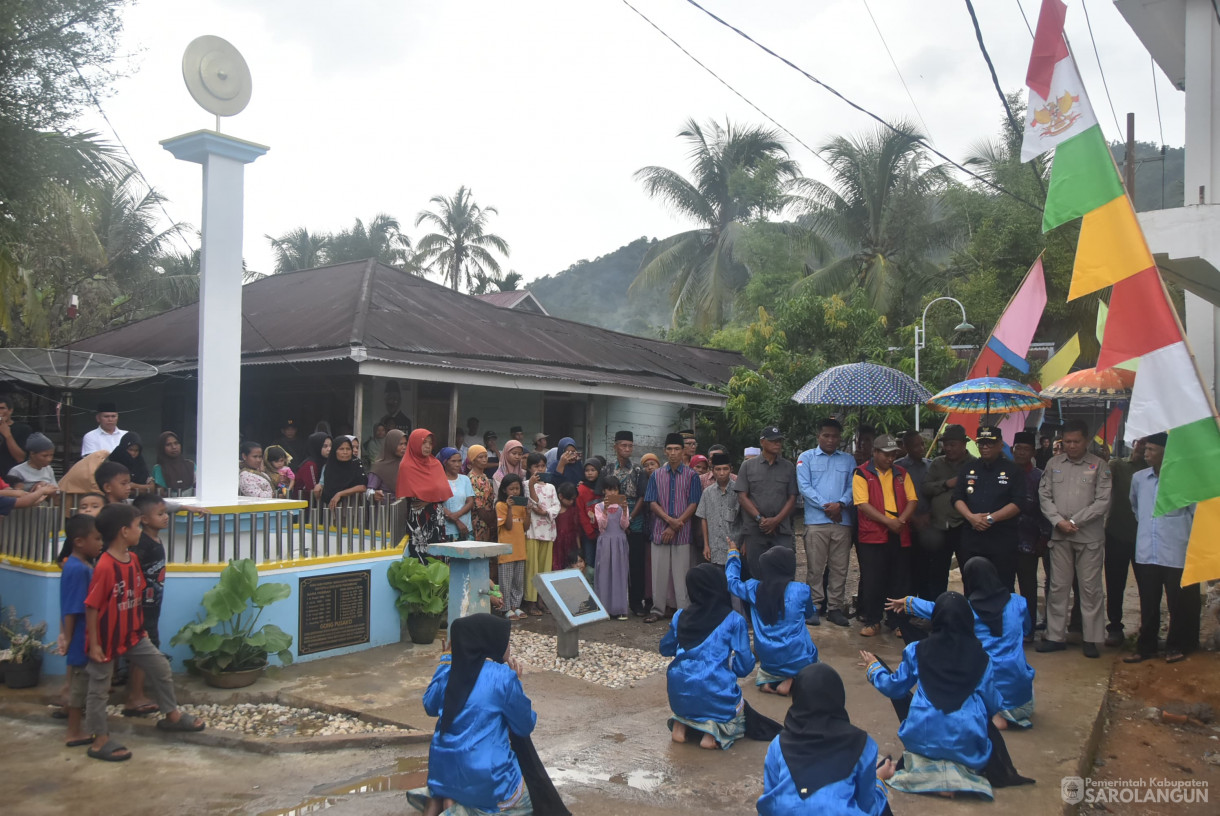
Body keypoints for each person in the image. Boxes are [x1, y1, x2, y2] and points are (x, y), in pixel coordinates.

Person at [862, 592, 1030, 799]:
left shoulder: (917, 650)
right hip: (966, 738)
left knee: (924, 719)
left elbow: (894, 688)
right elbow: (991, 701)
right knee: (978, 716)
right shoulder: (981, 657)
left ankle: (927, 773)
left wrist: (875, 669)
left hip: (922, 734)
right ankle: (959, 773)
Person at [84, 503, 205, 761]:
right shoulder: (105, 566)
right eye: (137, 525)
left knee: (160, 667)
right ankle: (99, 739)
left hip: (134, 635)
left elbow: (137, 596)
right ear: (123, 531)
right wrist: (94, 644)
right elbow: (92, 607)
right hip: (106, 639)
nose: (140, 530)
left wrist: (141, 629)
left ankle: (171, 714)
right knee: (98, 689)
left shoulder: (133, 560)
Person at [408, 614, 559, 816]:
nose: (509, 647)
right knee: (532, 797)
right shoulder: (503, 677)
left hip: (443, 772)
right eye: (505, 641)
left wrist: (445, 661)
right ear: (488, 641)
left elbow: (429, 705)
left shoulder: (449, 672)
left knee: (446, 791)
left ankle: (451, 804)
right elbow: (524, 725)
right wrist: (517, 685)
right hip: (489, 778)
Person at [890, 557, 1035, 730]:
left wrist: (909, 602)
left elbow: (940, 608)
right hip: (1022, 699)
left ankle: (994, 715)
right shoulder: (1019, 602)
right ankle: (1010, 713)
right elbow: (1026, 630)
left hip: (986, 690)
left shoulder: (968, 610)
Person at [756, 664, 893, 816]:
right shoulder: (863, 744)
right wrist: (879, 780)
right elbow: (868, 806)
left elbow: (770, 799)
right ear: (839, 697)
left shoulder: (779, 744)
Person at [660, 564, 756, 750]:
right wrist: (729, 667)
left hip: (678, 697)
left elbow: (665, 648)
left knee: (692, 696)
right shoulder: (734, 620)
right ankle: (711, 733)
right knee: (740, 709)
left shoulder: (680, 616)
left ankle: (680, 726)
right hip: (714, 694)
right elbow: (745, 666)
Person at [1037, 420, 1112, 658]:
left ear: (1086, 441)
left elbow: (1103, 501)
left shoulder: (1099, 466)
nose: (1071, 446)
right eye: (1067, 441)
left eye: (1076, 441)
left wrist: (1075, 521)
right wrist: (1058, 521)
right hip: (1059, 536)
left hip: (1088, 537)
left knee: (1090, 589)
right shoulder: (1053, 464)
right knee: (1058, 587)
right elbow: (1044, 495)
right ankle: (1055, 636)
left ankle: (1091, 638)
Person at [1125, 432, 1201, 664]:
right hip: (1147, 550)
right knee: (1148, 601)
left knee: (1177, 602)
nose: (1145, 454)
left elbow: (1194, 513)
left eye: (1151, 450)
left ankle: (1175, 645)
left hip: (1175, 550)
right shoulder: (1139, 479)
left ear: (1166, 452)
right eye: (1145, 449)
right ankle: (1145, 646)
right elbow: (1136, 507)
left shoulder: (1184, 479)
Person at [726, 543, 817, 695]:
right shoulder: (801, 590)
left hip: (767, 657)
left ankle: (767, 681)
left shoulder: (753, 588)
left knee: (770, 659)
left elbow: (732, 583)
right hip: (797, 657)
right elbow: (809, 614)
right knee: (813, 654)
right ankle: (791, 679)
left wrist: (733, 554)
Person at [854, 434, 917, 637]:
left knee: (899, 579)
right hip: (873, 534)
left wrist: (901, 521)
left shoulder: (901, 473)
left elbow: (912, 500)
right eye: (886, 454)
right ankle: (873, 620)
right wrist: (888, 522)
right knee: (874, 579)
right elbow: (863, 504)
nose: (890, 459)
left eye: (893, 455)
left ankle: (897, 621)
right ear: (875, 452)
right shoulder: (862, 473)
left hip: (900, 531)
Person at [796, 418, 854, 627]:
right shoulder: (806, 458)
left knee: (840, 567)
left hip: (842, 521)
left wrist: (841, 503)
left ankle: (835, 608)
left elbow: (852, 486)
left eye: (835, 436)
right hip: (816, 522)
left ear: (840, 438)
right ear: (818, 436)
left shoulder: (849, 460)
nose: (830, 440)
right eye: (826, 435)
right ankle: (814, 606)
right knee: (815, 567)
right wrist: (827, 507)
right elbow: (804, 487)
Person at [951, 425, 1023, 590]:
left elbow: (1018, 502)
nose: (985, 447)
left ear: (1000, 444)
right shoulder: (968, 468)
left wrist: (991, 518)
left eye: (990, 443)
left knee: (1003, 586)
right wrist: (971, 517)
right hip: (973, 538)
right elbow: (957, 497)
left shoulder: (1013, 470)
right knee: (972, 586)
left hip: (1002, 539)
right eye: (981, 443)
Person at [643, 433, 703, 623]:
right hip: (660, 531)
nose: (673, 453)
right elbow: (652, 502)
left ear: (683, 451)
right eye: (669, 449)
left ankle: (683, 611)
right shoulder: (657, 475)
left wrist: (677, 524)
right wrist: (670, 521)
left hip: (683, 533)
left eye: (677, 449)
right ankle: (657, 609)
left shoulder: (692, 475)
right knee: (658, 573)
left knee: (681, 574)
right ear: (665, 451)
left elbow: (694, 503)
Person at [123, 493, 170, 718]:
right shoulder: (140, 544)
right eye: (160, 514)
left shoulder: (155, 539)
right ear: (143, 518)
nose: (165, 517)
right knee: (143, 649)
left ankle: (137, 693)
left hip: (154, 605)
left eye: (165, 513)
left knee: (146, 646)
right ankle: (135, 696)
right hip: (141, 607)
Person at [57, 513, 102, 748]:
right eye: (96, 538)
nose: (100, 543)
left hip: (83, 635)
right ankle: (73, 731)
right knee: (79, 685)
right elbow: (73, 608)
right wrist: (68, 636)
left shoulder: (82, 565)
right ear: (79, 541)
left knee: (83, 683)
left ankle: (78, 727)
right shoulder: (78, 569)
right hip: (80, 637)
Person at [734, 426, 798, 584]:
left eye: (779, 441)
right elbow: (742, 496)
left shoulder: (788, 467)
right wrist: (759, 519)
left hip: (781, 529)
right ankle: (759, 607)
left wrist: (776, 520)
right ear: (762, 442)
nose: (777, 444)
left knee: (784, 572)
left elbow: (792, 497)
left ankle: (782, 606)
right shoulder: (748, 466)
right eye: (773, 441)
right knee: (756, 574)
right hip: (756, 530)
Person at [922, 424, 976, 602]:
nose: (948, 448)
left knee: (969, 571)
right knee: (937, 573)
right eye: (946, 444)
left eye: (953, 444)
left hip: (964, 526)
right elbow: (926, 488)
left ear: (963, 444)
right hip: (939, 526)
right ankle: (938, 611)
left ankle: (970, 611)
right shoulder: (937, 464)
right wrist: (946, 484)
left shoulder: (974, 464)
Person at [1104, 438, 1148, 647]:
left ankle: (1148, 628)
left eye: (1147, 442)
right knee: (1115, 583)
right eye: (1140, 441)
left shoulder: (1155, 469)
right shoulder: (1118, 466)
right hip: (1117, 534)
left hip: (1145, 538)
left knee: (1149, 587)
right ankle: (1114, 626)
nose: (1142, 445)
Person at [602, 431, 650, 616]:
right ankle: (612, 603)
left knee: (636, 564)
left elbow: (643, 496)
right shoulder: (606, 469)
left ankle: (636, 604)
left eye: (630, 446)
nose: (627, 449)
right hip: (612, 522)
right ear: (615, 447)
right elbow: (602, 495)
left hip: (634, 522)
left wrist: (628, 519)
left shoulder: (639, 470)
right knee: (613, 564)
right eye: (623, 445)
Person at [1012, 431, 1051, 633]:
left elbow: (1045, 510)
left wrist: (1043, 537)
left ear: (1033, 452)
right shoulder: (1005, 473)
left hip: (1029, 539)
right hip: (1005, 539)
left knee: (1028, 586)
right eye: (1018, 448)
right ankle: (1010, 628)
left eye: (1026, 449)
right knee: (1005, 587)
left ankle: (1028, 629)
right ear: (1013, 449)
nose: (1021, 453)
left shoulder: (1039, 477)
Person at [396, 429, 452, 563]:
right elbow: (408, 491)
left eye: (430, 443)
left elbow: (444, 489)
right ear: (415, 443)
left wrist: (428, 499)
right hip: (418, 516)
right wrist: (432, 496)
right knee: (420, 553)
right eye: (424, 443)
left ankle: (440, 583)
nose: (428, 446)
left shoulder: (436, 464)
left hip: (436, 515)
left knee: (438, 550)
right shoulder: (406, 465)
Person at [896, 430, 935, 600]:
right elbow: (896, 498)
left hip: (928, 526)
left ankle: (925, 606)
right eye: (916, 445)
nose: (921, 448)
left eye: (922, 444)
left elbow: (937, 494)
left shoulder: (931, 466)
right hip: (906, 526)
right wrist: (913, 518)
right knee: (906, 569)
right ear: (906, 447)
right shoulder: (898, 468)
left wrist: (929, 515)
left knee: (927, 569)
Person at [523, 452, 558, 616]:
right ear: (529, 468)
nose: (539, 469)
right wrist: (531, 486)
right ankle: (530, 602)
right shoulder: (524, 485)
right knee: (532, 567)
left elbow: (556, 506)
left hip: (548, 531)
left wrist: (546, 512)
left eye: (542, 466)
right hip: (532, 530)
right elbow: (532, 503)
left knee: (545, 568)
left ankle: (542, 600)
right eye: (536, 466)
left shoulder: (551, 487)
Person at [594, 475, 631, 620]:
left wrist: (625, 509)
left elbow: (625, 525)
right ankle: (604, 609)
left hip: (619, 542)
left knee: (620, 573)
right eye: (609, 490)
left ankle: (621, 608)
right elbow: (601, 526)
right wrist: (605, 511)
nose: (612, 493)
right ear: (604, 491)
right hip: (605, 542)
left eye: (615, 490)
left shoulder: (623, 505)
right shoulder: (599, 506)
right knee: (604, 573)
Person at [695, 451, 738, 574]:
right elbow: (703, 518)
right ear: (712, 471)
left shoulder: (738, 491)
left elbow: (744, 519)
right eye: (718, 469)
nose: (722, 473)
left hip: (734, 546)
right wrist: (706, 545)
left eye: (725, 469)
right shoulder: (708, 492)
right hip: (714, 547)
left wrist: (744, 544)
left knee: (733, 579)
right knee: (716, 579)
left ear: (731, 469)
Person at [496, 474, 529, 620]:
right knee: (506, 581)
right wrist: (509, 508)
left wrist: (527, 513)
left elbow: (525, 527)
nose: (515, 492)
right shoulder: (500, 505)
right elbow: (508, 526)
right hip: (506, 549)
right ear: (504, 490)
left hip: (520, 548)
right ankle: (505, 608)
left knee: (518, 581)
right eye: (511, 489)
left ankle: (516, 606)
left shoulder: (521, 505)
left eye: (517, 488)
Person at [319, 436, 367, 509]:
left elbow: (362, 486)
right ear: (335, 450)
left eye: (348, 449)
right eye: (341, 449)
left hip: (352, 507)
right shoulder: (330, 466)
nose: (345, 452)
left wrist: (340, 494)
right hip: (331, 507)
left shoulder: (356, 463)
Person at [439, 447, 474, 541]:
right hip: (447, 530)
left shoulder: (465, 479)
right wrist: (457, 521)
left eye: (459, 461)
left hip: (466, 528)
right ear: (445, 462)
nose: (457, 464)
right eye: (453, 461)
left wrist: (456, 515)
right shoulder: (439, 481)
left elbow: (470, 502)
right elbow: (438, 504)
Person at [465, 444, 497, 543]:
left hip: (488, 518)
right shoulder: (472, 478)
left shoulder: (484, 476)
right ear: (473, 460)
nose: (484, 459)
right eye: (480, 457)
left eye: (485, 456)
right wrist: (491, 523)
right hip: (479, 520)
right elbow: (478, 506)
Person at [575, 459, 602, 567]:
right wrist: (590, 532)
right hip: (588, 533)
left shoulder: (603, 488)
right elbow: (581, 512)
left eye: (593, 470)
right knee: (590, 561)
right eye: (587, 470)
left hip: (603, 531)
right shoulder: (581, 489)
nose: (589, 473)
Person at [0, 392, 31, 478]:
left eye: (2, 408)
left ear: (10, 410)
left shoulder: (23, 429)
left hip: (13, 477)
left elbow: (20, 458)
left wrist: (8, 435)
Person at [552, 482, 581, 571]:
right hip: (557, 545)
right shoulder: (553, 510)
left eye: (573, 499)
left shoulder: (573, 510)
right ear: (560, 496)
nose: (571, 502)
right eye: (569, 499)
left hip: (570, 544)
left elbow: (576, 532)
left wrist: (579, 548)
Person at [368, 429, 406, 497]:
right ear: (391, 444)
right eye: (400, 444)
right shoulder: (379, 467)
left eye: (405, 444)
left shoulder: (406, 464)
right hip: (384, 505)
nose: (404, 447)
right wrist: (374, 494)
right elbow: (369, 491)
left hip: (403, 506)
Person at [294, 432, 330, 497]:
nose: (329, 449)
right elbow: (313, 489)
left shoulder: (325, 462)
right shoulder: (310, 464)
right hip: (304, 503)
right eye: (325, 446)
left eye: (331, 446)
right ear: (317, 446)